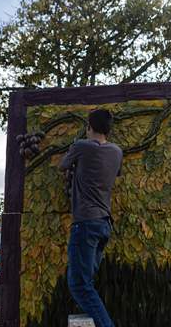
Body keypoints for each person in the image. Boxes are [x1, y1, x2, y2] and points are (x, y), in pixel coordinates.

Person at [59, 109, 123, 327]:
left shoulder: (81, 146)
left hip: (85, 223)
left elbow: (63, 165)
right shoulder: (117, 152)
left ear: (89, 126)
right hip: (104, 223)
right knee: (87, 283)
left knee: (79, 285)